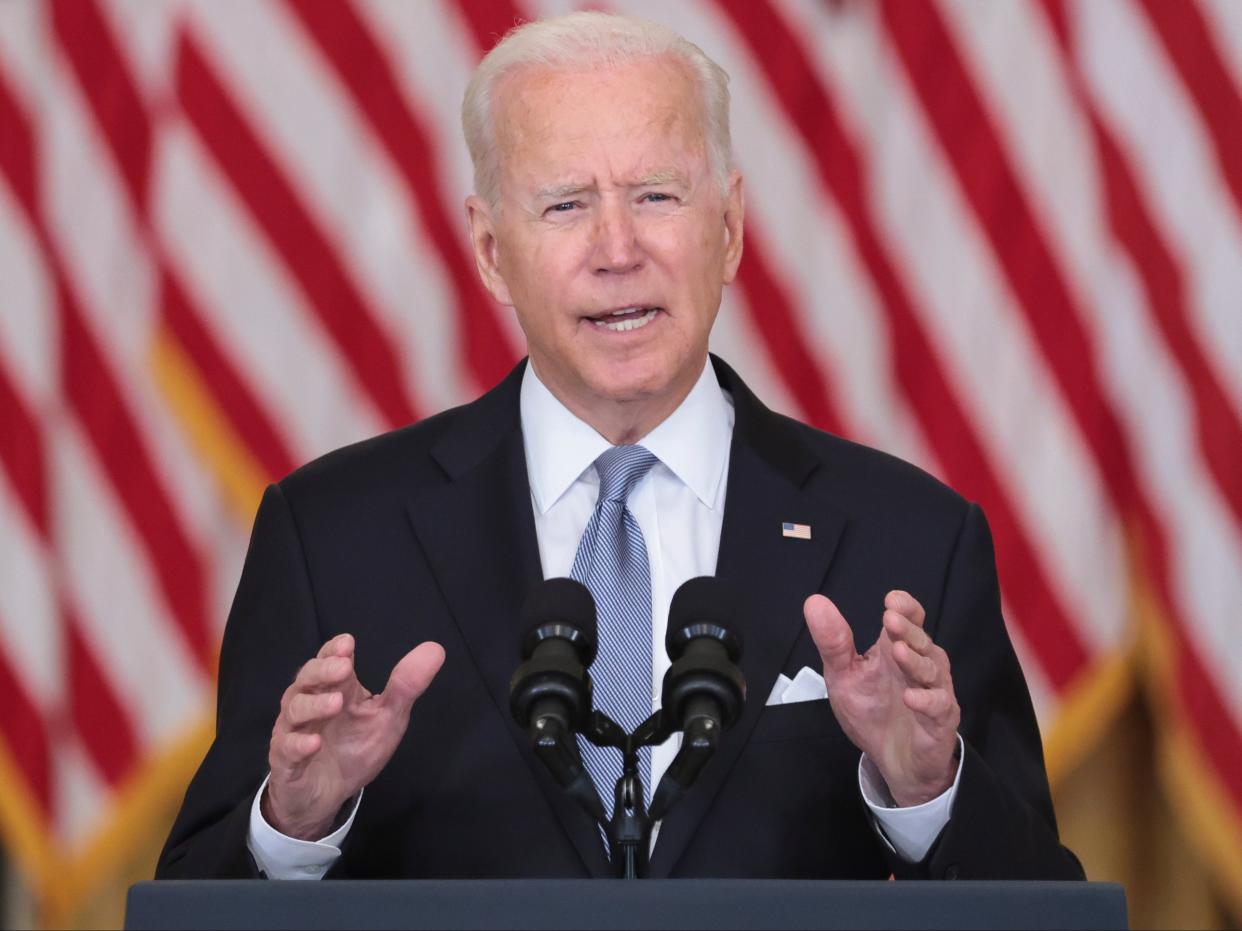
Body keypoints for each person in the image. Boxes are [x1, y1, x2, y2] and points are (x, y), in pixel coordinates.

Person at [157, 11, 1082, 882]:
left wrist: (929, 792)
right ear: (489, 250)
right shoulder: (333, 539)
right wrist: (295, 825)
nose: (617, 248)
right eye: (565, 205)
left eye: (655, 195)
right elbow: (191, 900)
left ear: (728, 228)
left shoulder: (911, 542)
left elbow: (1046, 908)